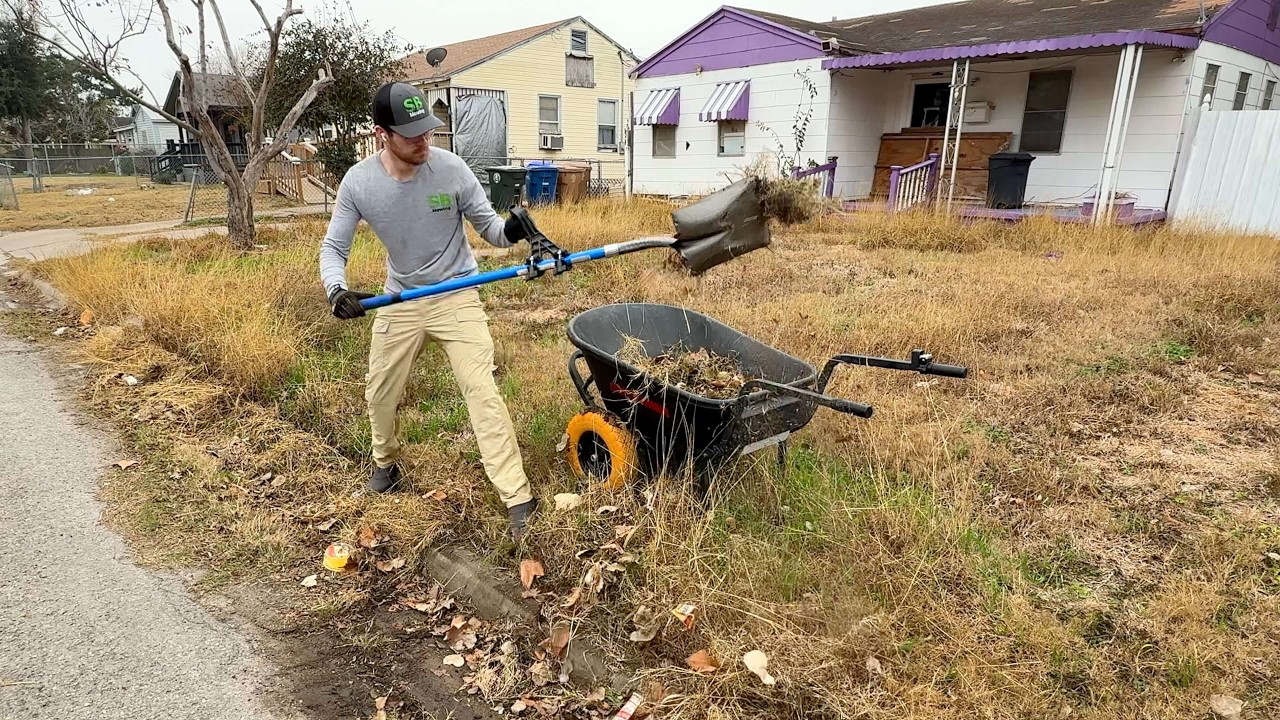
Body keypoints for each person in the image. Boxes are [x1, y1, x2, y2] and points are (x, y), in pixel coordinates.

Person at [318, 81, 538, 540]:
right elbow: (334, 247)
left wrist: (514, 230)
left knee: (482, 392)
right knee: (379, 391)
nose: (425, 141)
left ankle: (517, 498)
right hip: (400, 298)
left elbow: (492, 232)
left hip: (457, 292)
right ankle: (385, 463)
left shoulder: (452, 170)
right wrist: (336, 290)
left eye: (429, 131)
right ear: (383, 134)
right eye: (413, 134)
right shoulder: (359, 183)